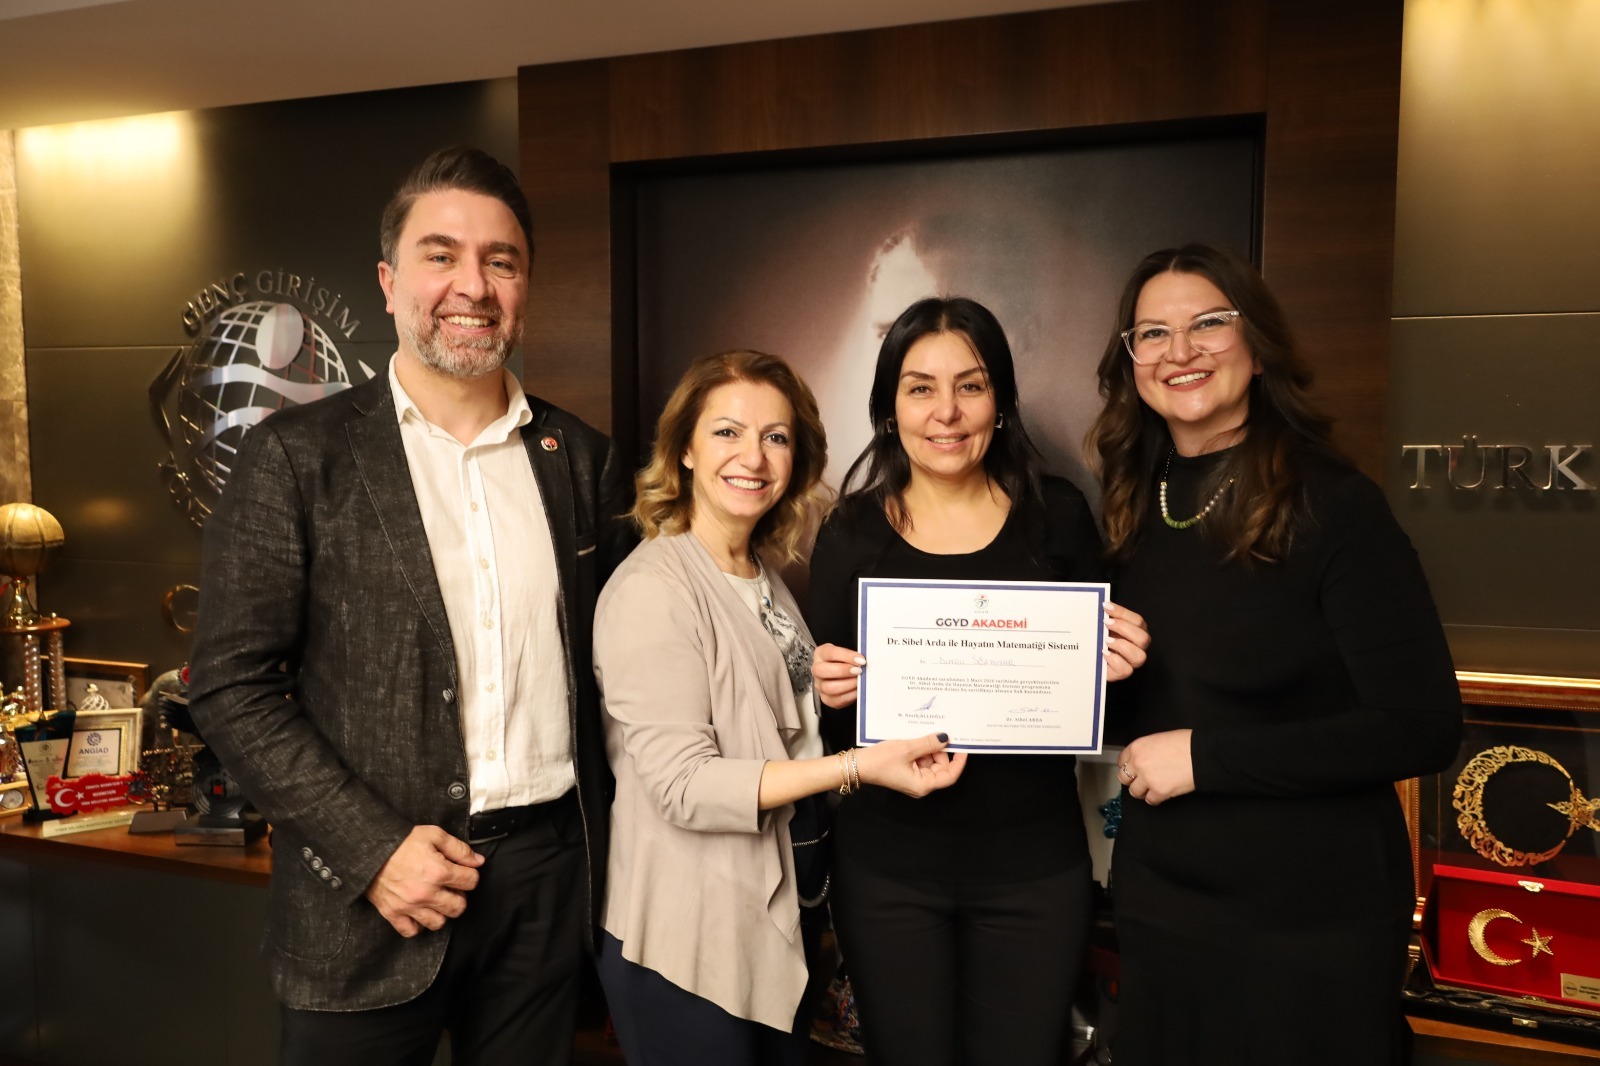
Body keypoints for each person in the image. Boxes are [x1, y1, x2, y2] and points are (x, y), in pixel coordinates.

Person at [187, 146, 635, 1065]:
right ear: (390, 283)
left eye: (501, 261)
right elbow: (232, 686)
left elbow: (623, 667)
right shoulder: (296, 457)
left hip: (548, 886)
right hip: (366, 897)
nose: (473, 285)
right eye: (441, 255)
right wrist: (374, 850)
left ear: (525, 288)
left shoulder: (584, 462)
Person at [1088, 243, 1462, 1065]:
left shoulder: (1335, 505)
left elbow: (1421, 725)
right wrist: (1093, 681)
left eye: (1207, 324)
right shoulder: (1129, 505)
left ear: (1257, 347)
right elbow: (1158, 709)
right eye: (1153, 333)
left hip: (1310, 915)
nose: (1179, 351)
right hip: (1163, 901)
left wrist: (1207, 759)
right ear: (1132, 362)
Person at [593, 349, 967, 1066]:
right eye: (727, 432)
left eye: (776, 437)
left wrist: (829, 692)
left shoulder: (763, 577)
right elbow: (685, 785)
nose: (754, 458)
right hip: (689, 940)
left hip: (772, 922)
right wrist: (858, 767)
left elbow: (773, 727)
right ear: (685, 451)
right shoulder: (653, 589)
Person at [808, 296, 1151, 1066]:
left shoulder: (1057, 516)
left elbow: (1101, 712)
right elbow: (832, 737)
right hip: (887, 871)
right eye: (920, 388)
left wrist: (1116, 670)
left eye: (971, 385)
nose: (947, 412)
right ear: (889, 407)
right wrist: (827, 689)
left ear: (1001, 401)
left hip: (1034, 869)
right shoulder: (851, 531)